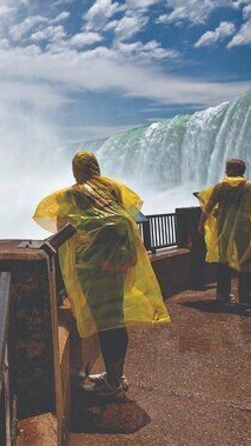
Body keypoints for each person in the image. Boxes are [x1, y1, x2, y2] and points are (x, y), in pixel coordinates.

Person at [34, 151, 170, 401]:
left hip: (95, 266)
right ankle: (116, 375)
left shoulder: (74, 194)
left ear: (76, 170)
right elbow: (128, 213)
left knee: (108, 324)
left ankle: (113, 384)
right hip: (119, 261)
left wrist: (50, 245)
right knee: (116, 318)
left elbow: (66, 227)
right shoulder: (111, 188)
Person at [197, 158, 251, 309]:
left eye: (227, 168)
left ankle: (223, 295)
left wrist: (201, 224)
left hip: (223, 230)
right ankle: (245, 298)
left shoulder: (221, 186)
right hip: (243, 229)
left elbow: (208, 207)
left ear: (233, 170)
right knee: (245, 262)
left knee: (223, 260)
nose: (225, 170)